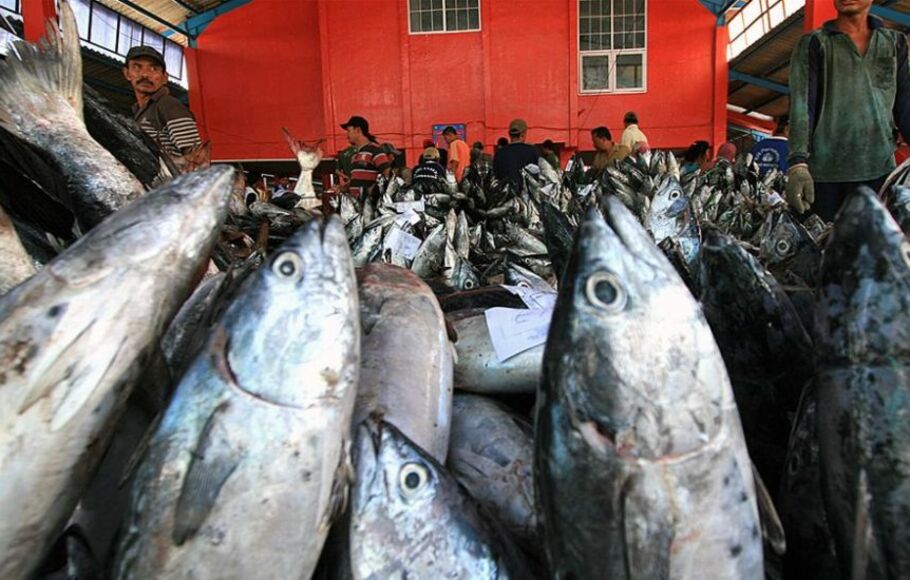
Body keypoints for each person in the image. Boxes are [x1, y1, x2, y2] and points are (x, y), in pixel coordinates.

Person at [787, 0, 910, 220]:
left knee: (875, 249)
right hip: (825, 177)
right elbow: (801, 106)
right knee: (823, 248)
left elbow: (905, 105)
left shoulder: (894, 43)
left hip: (879, 172)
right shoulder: (815, 43)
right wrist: (798, 163)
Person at [123, 46, 202, 165]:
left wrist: (158, 167)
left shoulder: (168, 105)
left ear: (164, 78)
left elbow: (197, 159)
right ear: (127, 73)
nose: (145, 74)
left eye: (154, 68)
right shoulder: (138, 113)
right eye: (137, 67)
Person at [339, 115, 390, 198]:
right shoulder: (356, 156)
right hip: (356, 205)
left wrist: (374, 191)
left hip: (369, 206)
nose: (347, 135)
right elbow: (355, 182)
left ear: (358, 130)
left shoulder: (375, 150)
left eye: (349, 131)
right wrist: (342, 188)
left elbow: (388, 175)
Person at [493, 119, 540, 184]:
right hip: (527, 193)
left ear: (509, 134)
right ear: (523, 135)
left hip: (507, 193)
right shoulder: (532, 151)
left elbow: (496, 176)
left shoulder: (500, 153)